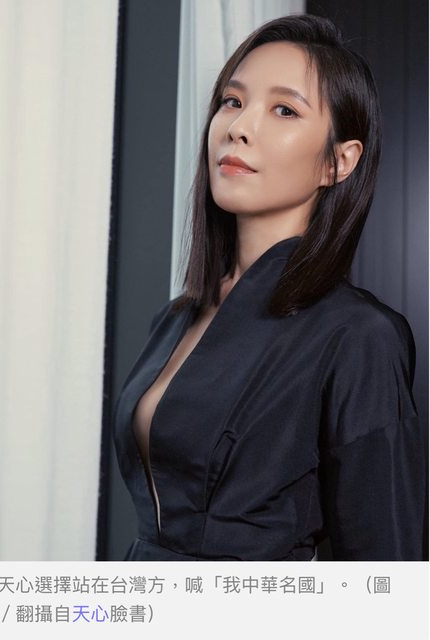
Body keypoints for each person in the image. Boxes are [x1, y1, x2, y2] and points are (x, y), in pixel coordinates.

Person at [113, 14, 426, 561]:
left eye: (284, 110)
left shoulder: (358, 337)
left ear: (339, 161)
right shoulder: (177, 318)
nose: (238, 127)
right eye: (232, 101)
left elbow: (385, 565)